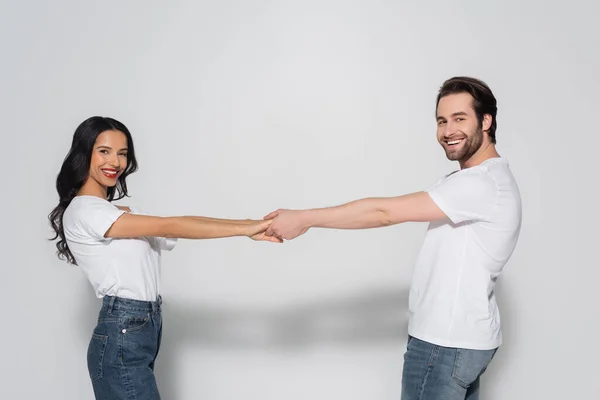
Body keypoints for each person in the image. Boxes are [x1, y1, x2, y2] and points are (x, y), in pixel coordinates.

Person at [264, 76, 522, 400]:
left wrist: (305, 219)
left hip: (444, 345)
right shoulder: (485, 179)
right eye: (442, 121)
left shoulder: (480, 184)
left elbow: (383, 213)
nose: (447, 131)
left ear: (486, 121)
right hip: (466, 341)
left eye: (460, 119)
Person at [48, 116, 280, 400]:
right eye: (104, 151)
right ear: (85, 153)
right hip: (123, 327)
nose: (115, 162)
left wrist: (247, 224)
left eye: (122, 153)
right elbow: (172, 224)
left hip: (141, 326)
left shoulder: (119, 213)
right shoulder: (85, 211)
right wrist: (245, 228)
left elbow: (178, 223)